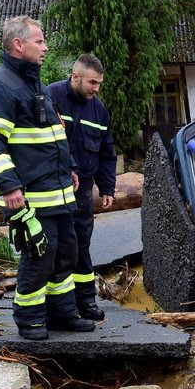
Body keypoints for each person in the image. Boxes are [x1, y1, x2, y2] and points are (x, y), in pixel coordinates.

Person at [0, 16, 95, 340]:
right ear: (18, 44)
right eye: (39, 41)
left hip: (57, 193)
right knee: (39, 256)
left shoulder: (35, 85)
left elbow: (54, 135)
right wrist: (9, 186)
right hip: (28, 197)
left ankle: (63, 314)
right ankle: (29, 319)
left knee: (65, 253)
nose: (45, 47)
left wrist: (68, 167)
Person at [46, 53, 116, 321]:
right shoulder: (50, 98)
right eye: (92, 83)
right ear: (75, 76)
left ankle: (85, 301)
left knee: (81, 243)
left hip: (83, 187)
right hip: (52, 184)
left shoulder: (99, 110)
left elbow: (107, 152)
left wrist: (107, 187)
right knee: (57, 245)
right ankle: (58, 305)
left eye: (99, 84)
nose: (96, 89)